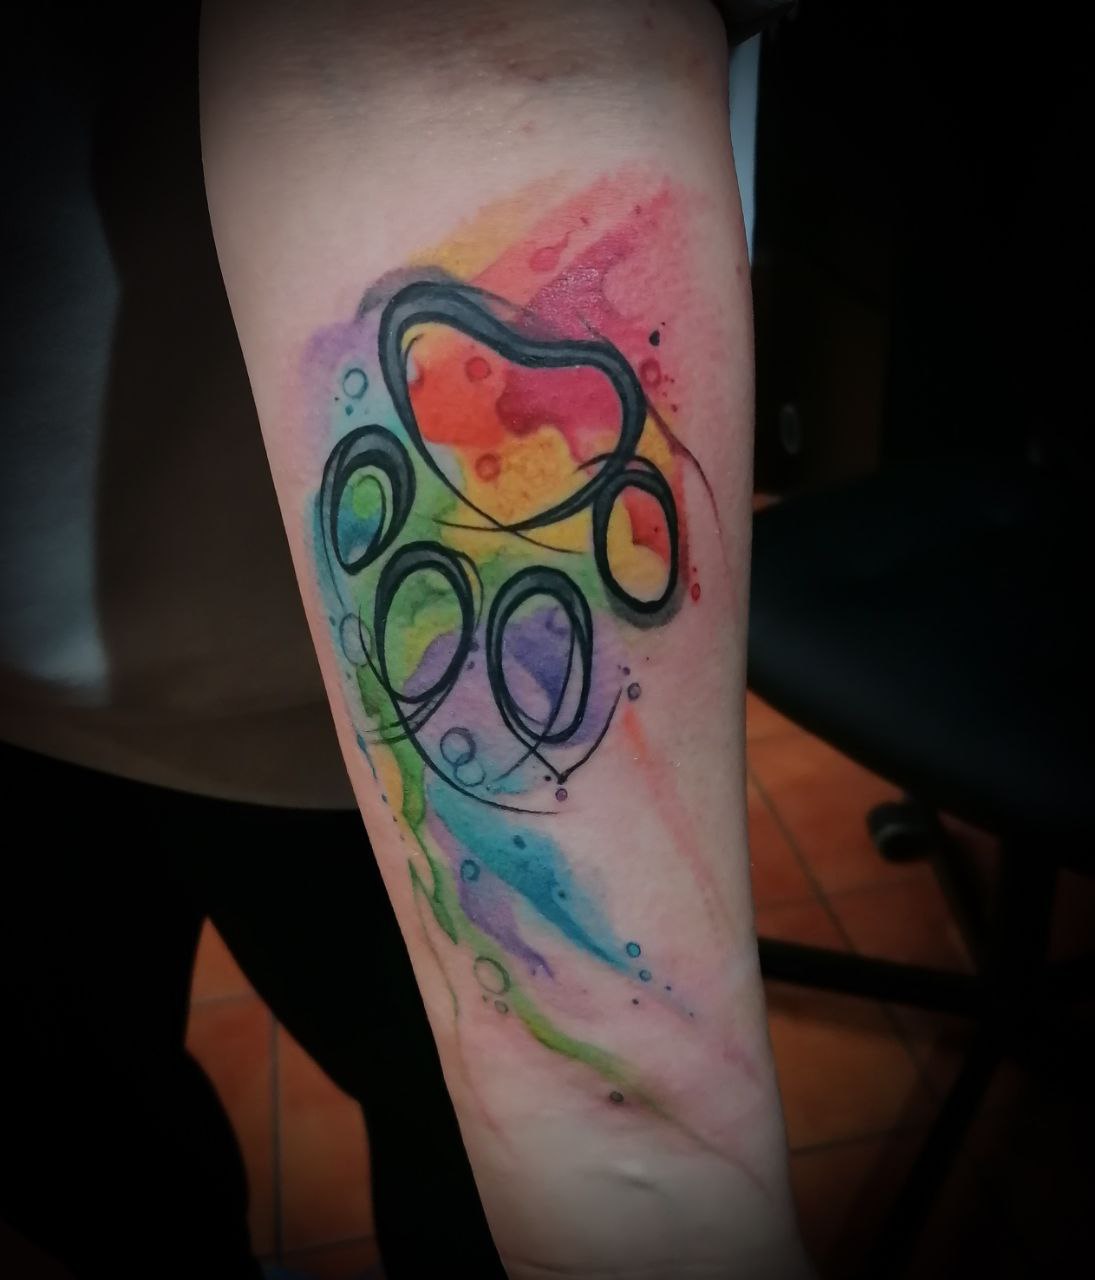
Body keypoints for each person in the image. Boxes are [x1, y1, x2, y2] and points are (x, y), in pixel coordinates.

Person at [0, 2, 808, 1277]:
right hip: (33, 710)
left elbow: (485, 67)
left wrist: (641, 1171)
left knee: (461, 1178)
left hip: (349, 751)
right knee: (90, 1164)